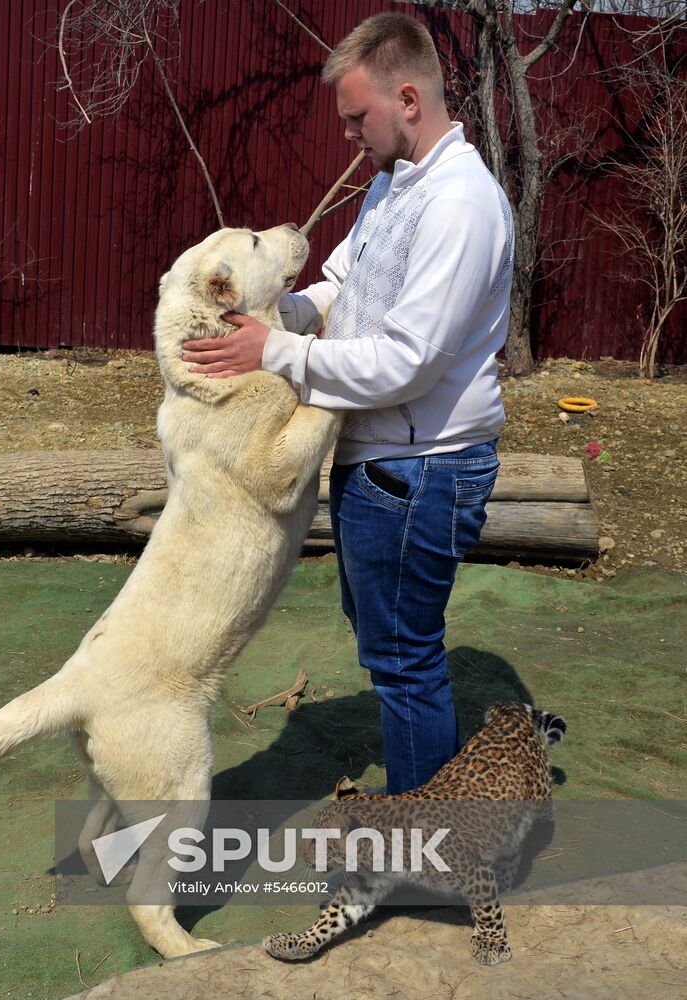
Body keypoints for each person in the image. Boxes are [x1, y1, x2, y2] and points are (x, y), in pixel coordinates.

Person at [181, 12, 513, 794]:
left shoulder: (459, 204)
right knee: (393, 649)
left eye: (356, 117)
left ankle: (427, 847)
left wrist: (275, 354)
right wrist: (273, 315)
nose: (348, 135)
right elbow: (341, 286)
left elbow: (410, 362)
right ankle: (439, 814)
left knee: (402, 663)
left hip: (418, 467)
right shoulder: (396, 185)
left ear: (406, 97)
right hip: (386, 461)